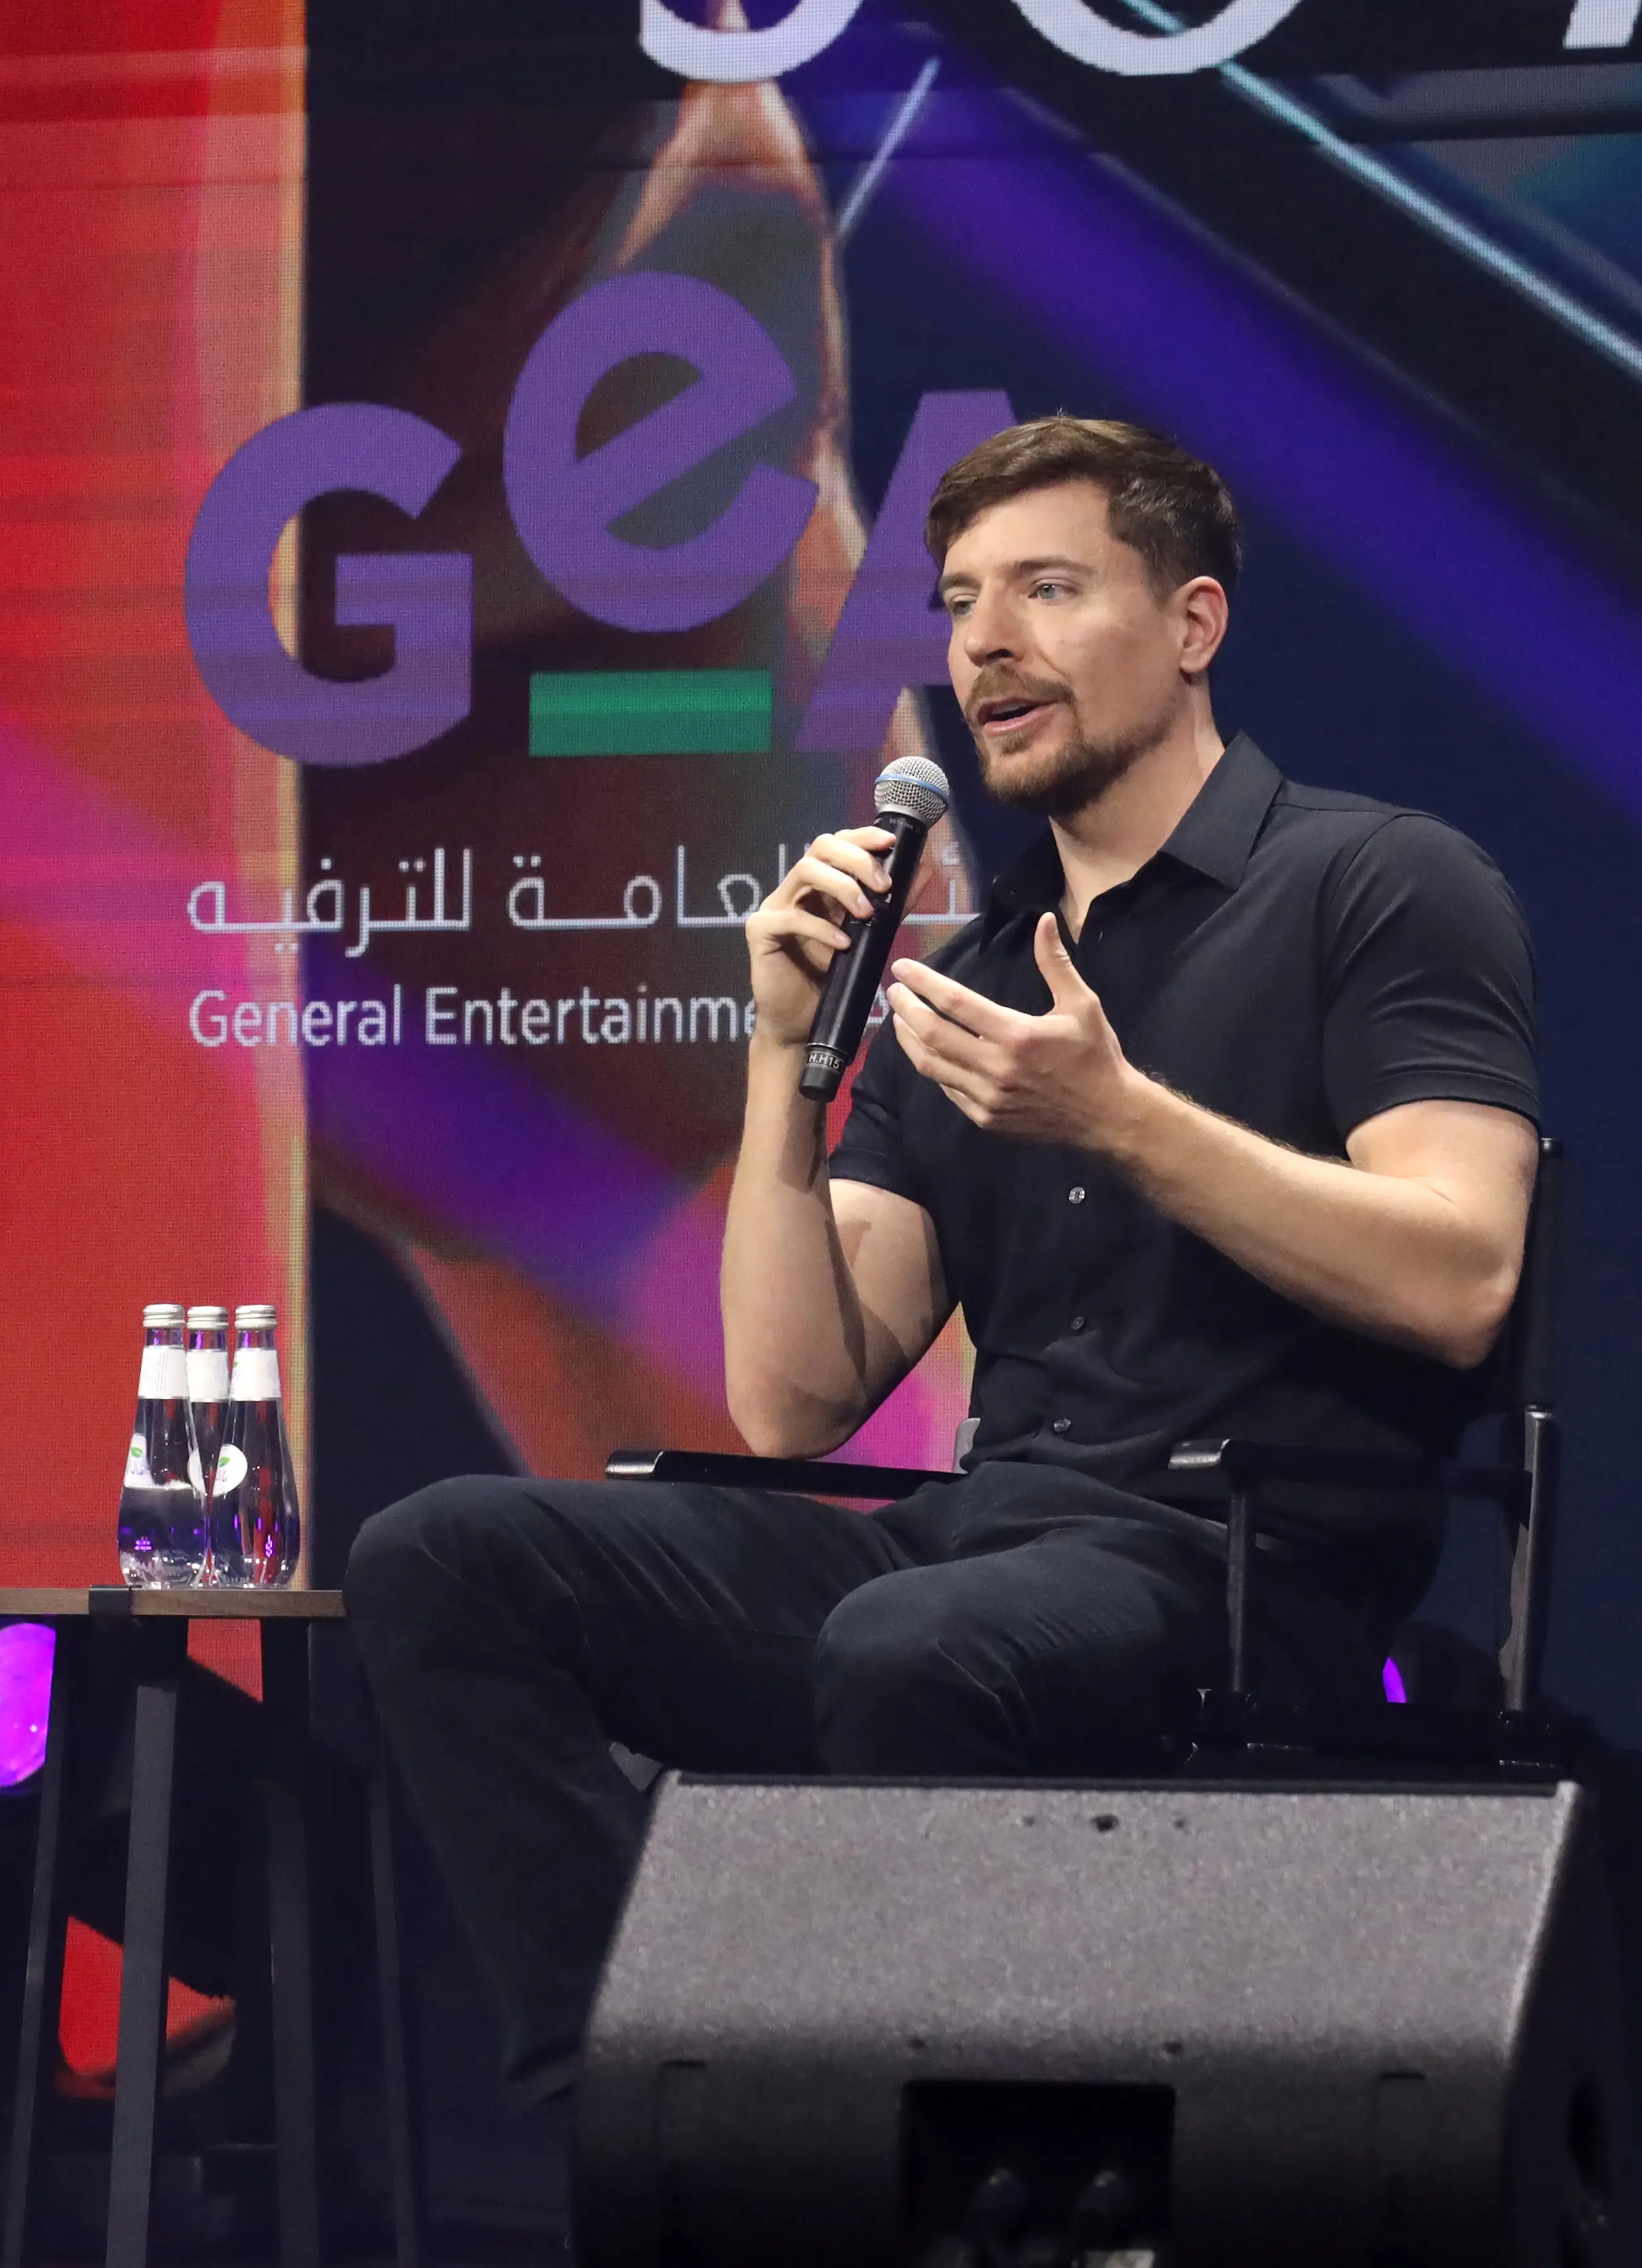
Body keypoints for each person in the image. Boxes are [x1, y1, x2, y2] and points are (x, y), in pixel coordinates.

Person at [345, 417, 1541, 2099]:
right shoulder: (962, 975)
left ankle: (959, 2169)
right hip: (974, 1545)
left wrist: (1125, 1121)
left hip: (1250, 1578)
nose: (985, 643)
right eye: (962, 600)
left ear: (1194, 624)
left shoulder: (1377, 887)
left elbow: (1462, 1274)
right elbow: (791, 1402)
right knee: (448, 1557)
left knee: (918, 1652)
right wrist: (780, 1063)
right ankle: (639, 2110)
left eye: (1049, 589)